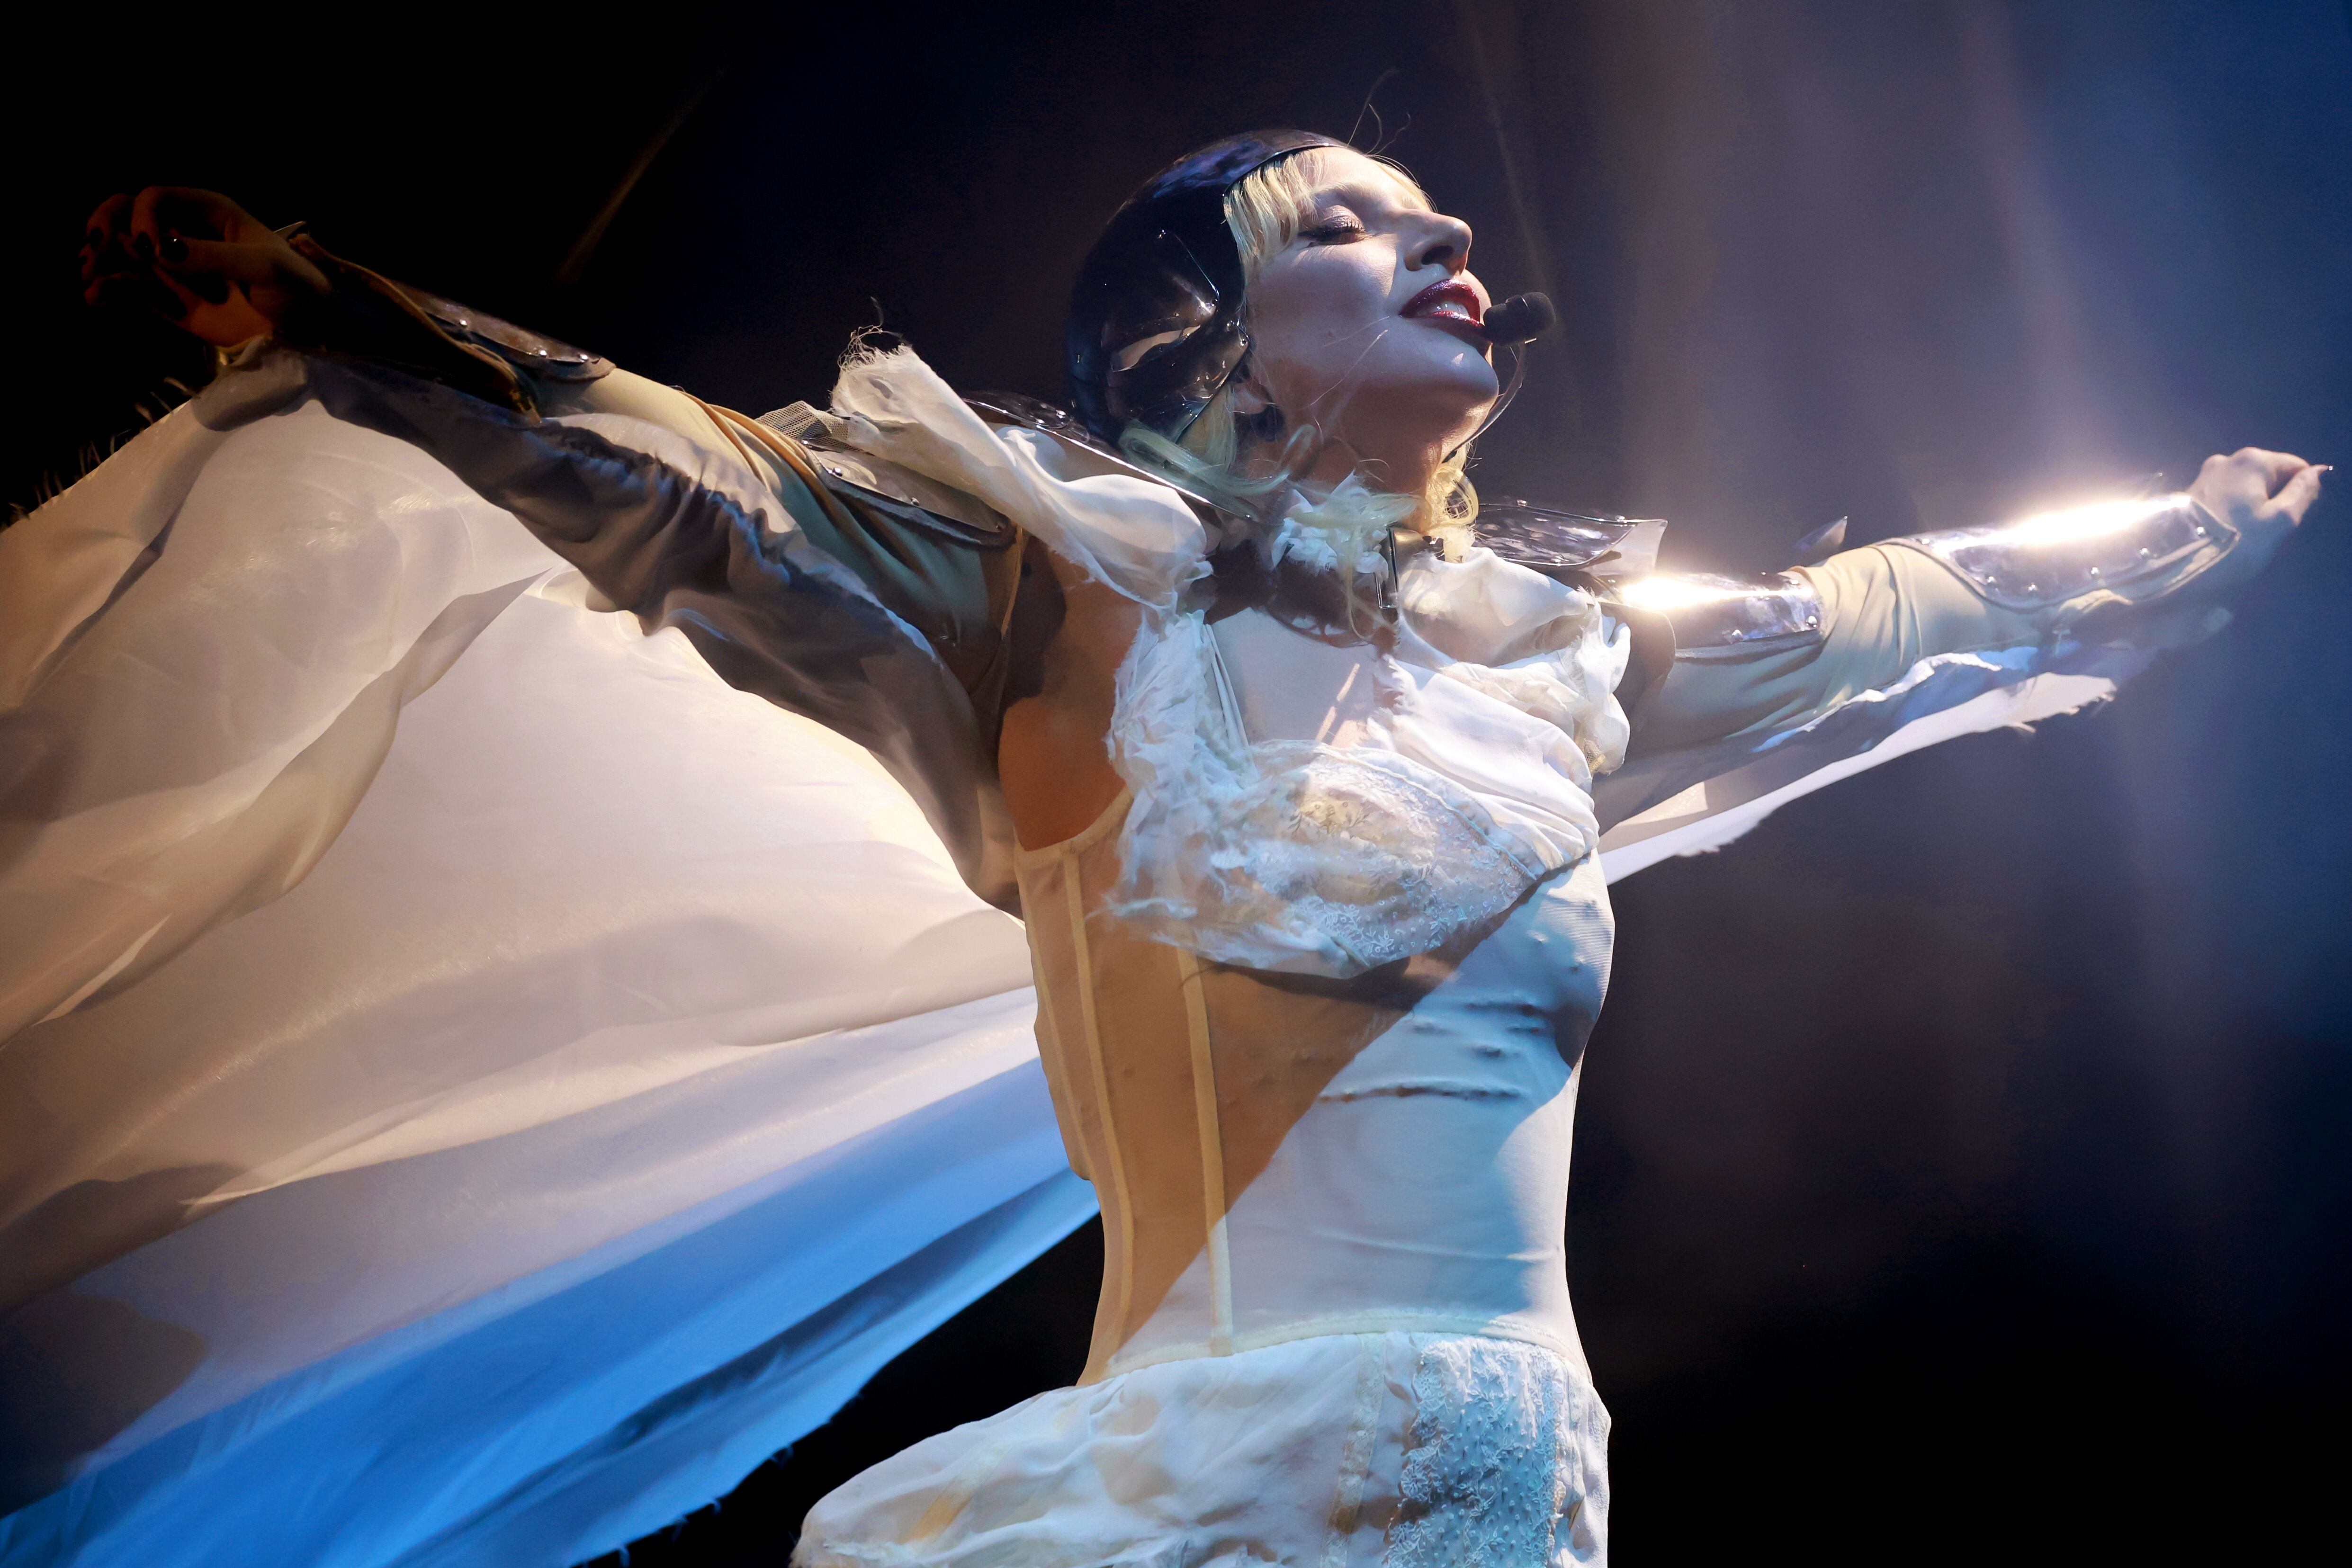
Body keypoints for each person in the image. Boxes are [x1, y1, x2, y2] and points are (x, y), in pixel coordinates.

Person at [27, 131, 2323, 1567]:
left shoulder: (1552, 655)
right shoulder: (1059, 599)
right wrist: (346, 308)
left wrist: (2176, 533)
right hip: (1204, 1502)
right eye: (1349, 220)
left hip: (1518, 1496)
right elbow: (693, 486)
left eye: (1434, 213)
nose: (1442, 230)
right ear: (1205, 336)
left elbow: (1895, 609)